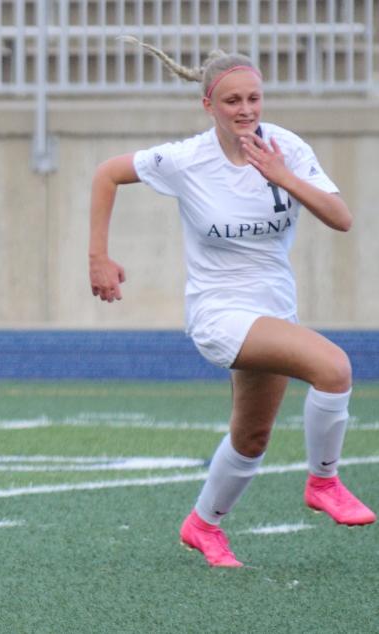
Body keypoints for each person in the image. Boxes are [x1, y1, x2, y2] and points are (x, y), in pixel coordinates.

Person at [88, 38, 373, 567]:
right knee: (334, 367)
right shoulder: (185, 159)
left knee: (252, 436)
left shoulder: (287, 147)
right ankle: (324, 482)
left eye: (254, 99)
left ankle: (203, 525)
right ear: (208, 106)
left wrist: (283, 176)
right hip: (219, 314)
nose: (245, 111)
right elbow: (108, 172)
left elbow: (341, 218)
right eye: (232, 101)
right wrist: (98, 257)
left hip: (274, 309)